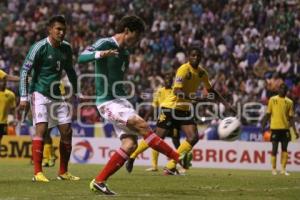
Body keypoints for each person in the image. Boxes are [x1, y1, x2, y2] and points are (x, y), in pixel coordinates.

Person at [78, 15, 185, 195]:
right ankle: (176, 156)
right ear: (127, 31)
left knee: (130, 145)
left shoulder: (125, 54)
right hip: (107, 102)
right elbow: (82, 57)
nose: (138, 41)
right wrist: (100, 54)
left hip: (120, 101)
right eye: (136, 36)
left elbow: (117, 80)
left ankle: (99, 181)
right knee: (142, 126)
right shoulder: (105, 43)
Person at [128, 46, 236, 175]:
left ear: (201, 57)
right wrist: (193, 97)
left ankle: (170, 165)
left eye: (198, 56)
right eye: (193, 55)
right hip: (170, 108)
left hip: (184, 110)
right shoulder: (183, 69)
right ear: (188, 57)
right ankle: (133, 156)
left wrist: (227, 105)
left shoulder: (202, 73)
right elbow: (176, 91)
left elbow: (212, 91)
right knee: (158, 138)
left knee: (193, 137)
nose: (195, 58)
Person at [19, 15, 79, 182]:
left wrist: (77, 90)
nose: (61, 32)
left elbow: (70, 71)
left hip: (57, 94)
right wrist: (23, 96)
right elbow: (25, 71)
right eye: (58, 29)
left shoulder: (66, 48)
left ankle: (63, 172)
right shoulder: (39, 47)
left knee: (67, 131)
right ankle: (38, 173)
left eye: (64, 30)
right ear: (50, 30)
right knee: (42, 129)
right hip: (39, 93)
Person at [127, 74, 184, 172]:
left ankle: (179, 164)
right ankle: (153, 165)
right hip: (164, 117)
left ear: (172, 81)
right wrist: (145, 118)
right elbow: (153, 106)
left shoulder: (175, 90)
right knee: (155, 139)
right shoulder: (159, 92)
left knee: (174, 141)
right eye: (166, 80)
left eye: (170, 80)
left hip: (174, 117)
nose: (168, 82)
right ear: (163, 81)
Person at [261, 83, 299, 176]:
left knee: (284, 149)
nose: (282, 90)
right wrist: (263, 124)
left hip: (285, 129)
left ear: (286, 91)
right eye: (281, 89)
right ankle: (274, 169)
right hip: (275, 128)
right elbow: (268, 114)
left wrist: (294, 131)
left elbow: (291, 118)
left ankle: (283, 169)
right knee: (274, 149)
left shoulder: (289, 102)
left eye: (284, 89)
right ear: (278, 90)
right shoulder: (272, 100)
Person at [0, 74, 16, 143]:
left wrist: (13, 119)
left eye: (4, 81)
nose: (2, 83)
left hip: (3, 122)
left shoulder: (11, 94)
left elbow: (13, 109)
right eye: (0, 81)